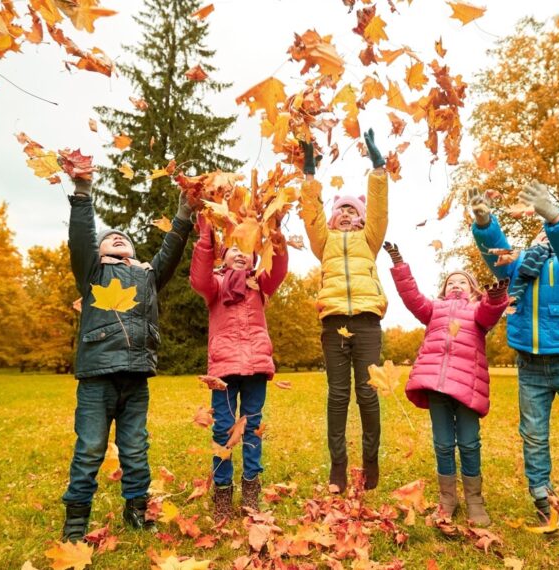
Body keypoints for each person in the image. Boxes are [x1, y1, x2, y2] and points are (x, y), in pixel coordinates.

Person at [470, 182, 559, 546]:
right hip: (530, 366)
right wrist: (485, 222)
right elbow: (495, 254)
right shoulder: (520, 266)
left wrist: (555, 217)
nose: (542, 233)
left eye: (548, 228)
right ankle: (543, 499)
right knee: (534, 438)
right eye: (539, 228)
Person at [61, 174, 193, 542]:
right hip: (97, 376)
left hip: (135, 377)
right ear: (99, 251)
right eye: (109, 238)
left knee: (136, 448)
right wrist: (83, 193)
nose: (117, 237)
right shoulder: (92, 271)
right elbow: (81, 238)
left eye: (124, 238)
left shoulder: (148, 277)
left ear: (134, 252)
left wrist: (184, 211)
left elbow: (171, 251)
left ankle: (137, 509)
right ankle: (75, 520)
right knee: (89, 448)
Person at [383, 242, 509, 525]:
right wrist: (399, 263)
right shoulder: (434, 310)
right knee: (442, 444)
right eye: (450, 282)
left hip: (466, 388)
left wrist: (496, 297)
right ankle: (447, 498)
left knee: (468, 443)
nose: (455, 285)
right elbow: (412, 297)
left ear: (473, 289)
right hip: (437, 386)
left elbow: (491, 311)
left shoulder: (477, 311)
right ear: (442, 290)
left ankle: (475, 500)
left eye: (462, 282)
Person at [298, 129, 388, 493]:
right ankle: (338, 465)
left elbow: (380, 210)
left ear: (362, 218)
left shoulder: (370, 239)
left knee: (367, 393)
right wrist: (309, 177)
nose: (347, 214)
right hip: (334, 321)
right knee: (338, 394)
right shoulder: (325, 242)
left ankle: (370, 461)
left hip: (367, 321)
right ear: (334, 219)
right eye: (342, 210)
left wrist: (378, 168)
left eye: (354, 210)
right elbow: (311, 217)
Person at [190, 214, 288, 520]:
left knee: (252, 427)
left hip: (257, 365)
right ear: (223, 255)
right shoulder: (215, 286)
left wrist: (275, 233)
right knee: (223, 427)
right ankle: (222, 492)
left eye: (246, 247)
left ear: (255, 257)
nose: (240, 252)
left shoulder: (259, 284)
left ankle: (250, 489)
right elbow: (199, 277)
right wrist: (207, 234)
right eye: (233, 247)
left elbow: (279, 270)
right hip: (224, 368)